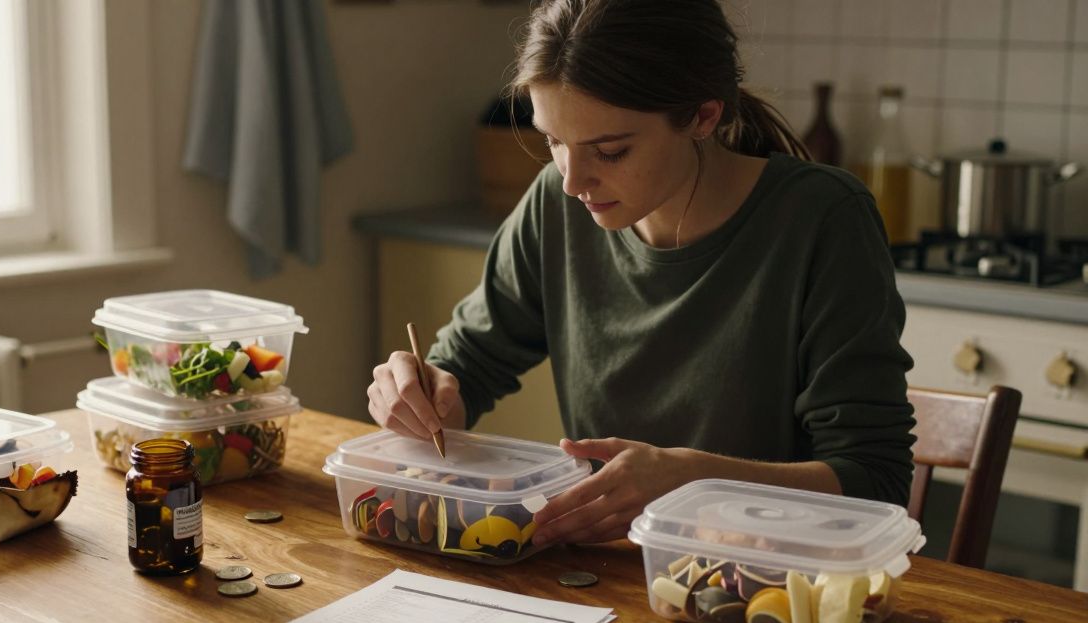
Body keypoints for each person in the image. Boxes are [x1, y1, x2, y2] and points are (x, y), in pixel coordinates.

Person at [366, 0, 915, 548]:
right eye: (554, 142)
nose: (572, 182)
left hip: (764, 581)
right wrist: (423, 394)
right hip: (609, 572)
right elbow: (466, 369)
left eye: (610, 151)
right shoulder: (554, 208)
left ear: (703, 116)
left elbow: (875, 482)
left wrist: (693, 480)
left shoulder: (823, 219)